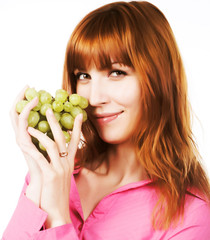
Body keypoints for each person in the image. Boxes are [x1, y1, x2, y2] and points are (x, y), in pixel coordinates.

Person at [2, 1, 210, 239]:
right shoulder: (54, 173)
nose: (94, 98)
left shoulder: (190, 216)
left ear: (159, 79)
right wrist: (38, 180)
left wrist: (58, 216)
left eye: (116, 73)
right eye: (83, 75)